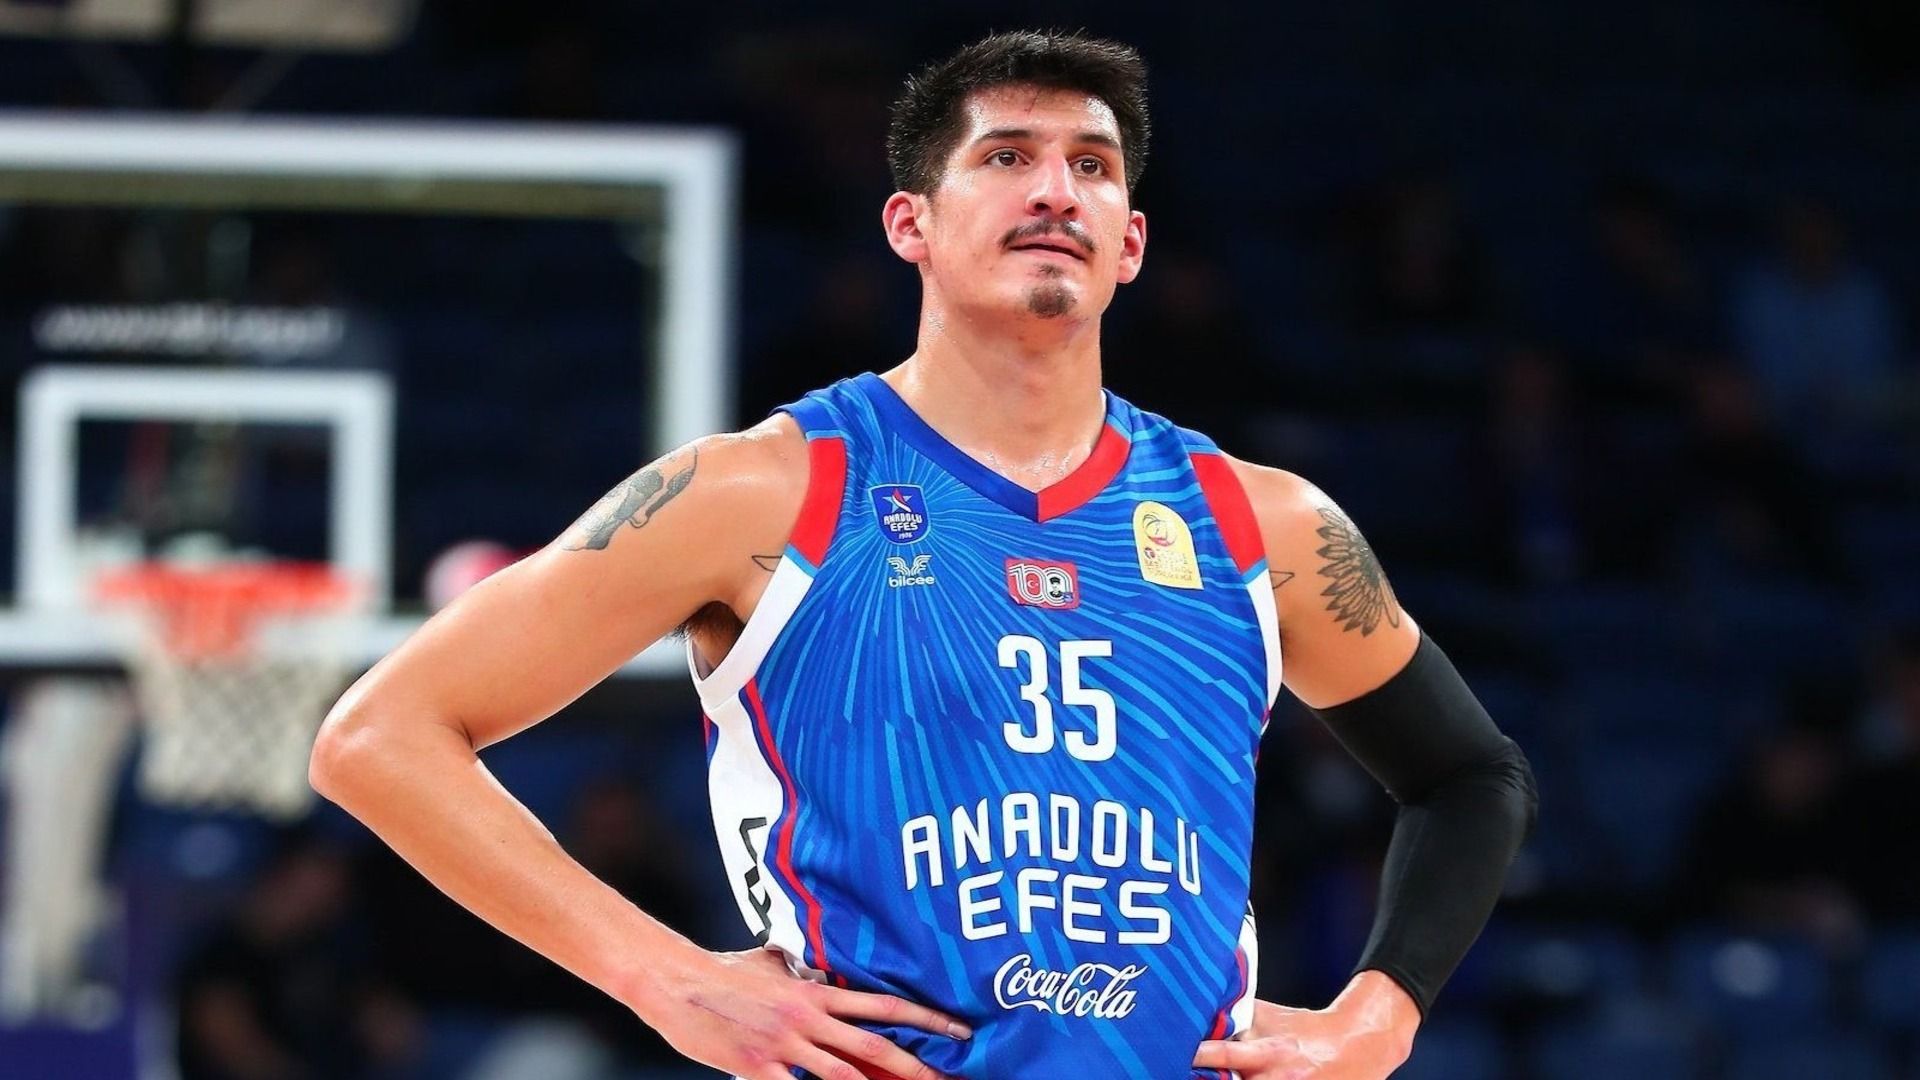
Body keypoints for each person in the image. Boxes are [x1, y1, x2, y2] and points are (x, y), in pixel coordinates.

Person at [311, 30, 1536, 1080]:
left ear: (1131, 242)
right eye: (1007, 157)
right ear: (912, 222)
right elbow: (378, 738)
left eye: (1092, 166)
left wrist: (1379, 1017)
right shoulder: (759, 492)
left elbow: (1472, 777)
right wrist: (659, 976)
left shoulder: (1263, 524)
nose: (1055, 191)